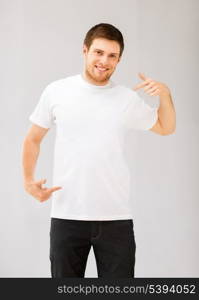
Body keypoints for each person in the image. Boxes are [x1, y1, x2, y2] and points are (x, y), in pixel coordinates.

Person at [22, 23, 176, 278]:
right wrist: (28, 181)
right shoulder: (57, 91)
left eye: (112, 55)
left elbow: (165, 127)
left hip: (115, 218)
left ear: (119, 60)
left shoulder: (125, 98)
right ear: (85, 51)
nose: (104, 61)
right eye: (98, 52)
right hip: (67, 216)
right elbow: (32, 139)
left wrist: (165, 94)